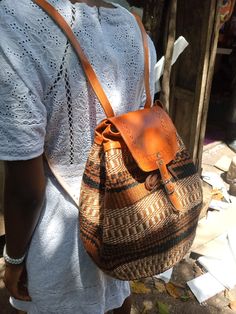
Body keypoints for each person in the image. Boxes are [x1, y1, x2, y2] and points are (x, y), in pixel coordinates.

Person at [0, 0, 157, 313]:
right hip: (123, 227)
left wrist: (13, 260)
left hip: (57, 252)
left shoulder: (14, 18)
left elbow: (26, 190)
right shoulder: (134, 28)